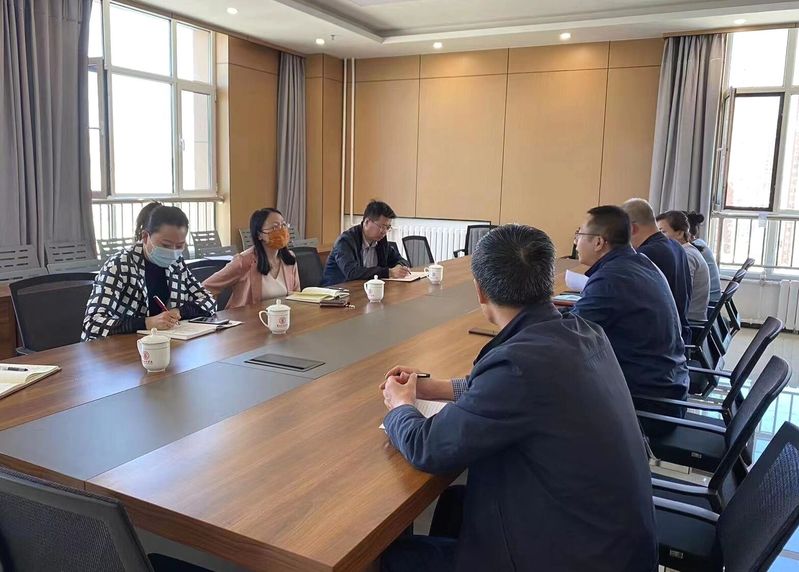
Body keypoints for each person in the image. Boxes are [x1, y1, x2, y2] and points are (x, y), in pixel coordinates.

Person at [379, 224, 658, 572]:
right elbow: (512, 394)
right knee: (454, 502)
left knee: (391, 559)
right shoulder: (582, 332)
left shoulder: (519, 367)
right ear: (546, 281)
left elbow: (427, 447)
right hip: (611, 542)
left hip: (576, 556)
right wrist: (436, 387)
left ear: (480, 291)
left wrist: (400, 405)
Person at [571, 206, 689, 420]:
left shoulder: (611, 278)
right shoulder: (639, 263)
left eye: (579, 234)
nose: (575, 242)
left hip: (648, 405)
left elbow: (569, 337)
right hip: (668, 388)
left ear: (598, 242)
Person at [82, 205, 215, 340]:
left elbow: (209, 300)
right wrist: (147, 323)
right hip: (117, 347)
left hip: (162, 342)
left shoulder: (176, 264)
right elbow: (92, 323)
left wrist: (179, 312)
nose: (173, 252)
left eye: (180, 246)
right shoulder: (119, 265)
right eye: (166, 245)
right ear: (145, 237)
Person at [622, 198, 692, 344]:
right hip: (679, 329)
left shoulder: (646, 254)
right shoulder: (675, 245)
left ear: (632, 228)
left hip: (660, 339)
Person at [202, 209, 301, 309]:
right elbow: (207, 287)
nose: (282, 230)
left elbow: (296, 296)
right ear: (259, 234)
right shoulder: (243, 261)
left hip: (280, 317)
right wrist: (211, 312)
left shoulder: (290, 259)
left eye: (283, 225)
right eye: (275, 227)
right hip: (246, 318)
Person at [322, 200, 410, 286]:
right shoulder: (345, 241)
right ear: (367, 222)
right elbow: (352, 272)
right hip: (336, 290)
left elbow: (401, 260)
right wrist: (388, 272)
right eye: (382, 226)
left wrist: (400, 267)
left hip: (364, 288)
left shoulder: (381, 241)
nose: (384, 231)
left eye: (387, 227)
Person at [657, 210, 711, 322]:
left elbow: (681, 294)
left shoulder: (687, 255)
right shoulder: (686, 250)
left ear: (680, 233)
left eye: (663, 232)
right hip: (688, 314)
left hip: (690, 320)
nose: (658, 237)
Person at [686, 211, 722, 303]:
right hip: (712, 298)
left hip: (709, 302)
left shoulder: (691, 251)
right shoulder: (699, 243)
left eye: (664, 231)